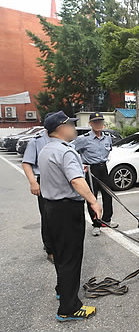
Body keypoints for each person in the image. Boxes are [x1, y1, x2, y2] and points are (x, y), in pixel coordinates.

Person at [38, 111, 102, 322]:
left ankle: (62, 290)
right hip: (67, 210)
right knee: (71, 257)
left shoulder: (46, 149)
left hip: (51, 208)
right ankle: (69, 308)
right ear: (60, 128)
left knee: (61, 254)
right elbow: (76, 181)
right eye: (71, 124)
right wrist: (93, 201)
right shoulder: (66, 152)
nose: (74, 128)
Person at [74, 112, 118, 236]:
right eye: (95, 122)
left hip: (103, 168)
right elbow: (70, 151)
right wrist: (80, 164)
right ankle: (96, 224)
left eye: (100, 122)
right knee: (91, 197)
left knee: (108, 195)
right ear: (90, 124)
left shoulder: (107, 137)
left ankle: (107, 220)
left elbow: (108, 151)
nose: (98, 124)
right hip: (91, 170)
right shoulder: (84, 139)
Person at [22, 113, 53, 263]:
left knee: (61, 215)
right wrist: (33, 182)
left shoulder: (65, 140)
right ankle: (50, 250)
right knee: (47, 216)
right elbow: (26, 162)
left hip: (62, 182)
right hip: (44, 181)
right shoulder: (37, 141)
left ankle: (61, 244)